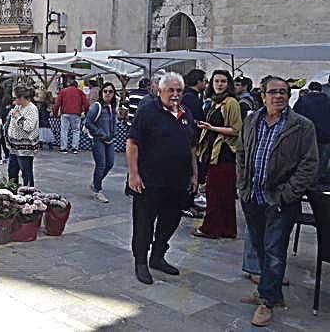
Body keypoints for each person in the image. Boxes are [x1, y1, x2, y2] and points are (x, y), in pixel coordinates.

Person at [236, 76, 318, 327]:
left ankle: (267, 302)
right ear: (263, 95)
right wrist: (242, 185)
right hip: (253, 196)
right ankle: (269, 291)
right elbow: (241, 151)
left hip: (280, 200)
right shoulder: (252, 120)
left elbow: (309, 164)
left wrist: (287, 194)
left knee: (274, 250)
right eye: (273, 92)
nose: (279, 96)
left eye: (284, 92)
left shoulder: (302, 126)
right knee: (260, 246)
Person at [126, 72, 198, 285]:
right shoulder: (147, 111)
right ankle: (141, 262)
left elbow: (191, 147)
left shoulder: (186, 114)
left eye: (179, 91)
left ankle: (158, 256)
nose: (175, 94)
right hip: (149, 181)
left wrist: (194, 174)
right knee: (144, 224)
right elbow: (132, 144)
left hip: (177, 182)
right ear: (160, 91)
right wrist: (133, 174)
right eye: (171, 90)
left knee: (170, 221)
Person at [192, 70, 242, 239]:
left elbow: (236, 130)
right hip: (214, 152)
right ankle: (227, 229)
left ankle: (210, 228)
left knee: (215, 193)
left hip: (224, 153)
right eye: (216, 81)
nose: (219, 84)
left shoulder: (231, 103)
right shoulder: (214, 102)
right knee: (223, 193)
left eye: (223, 81)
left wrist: (211, 128)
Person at [85, 82, 117, 203]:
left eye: (110, 91)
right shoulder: (96, 106)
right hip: (98, 140)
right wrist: (100, 133)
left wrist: (113, 132)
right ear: (101, 93)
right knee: (101, 164)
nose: (108, 94)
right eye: (105, 91)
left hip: (109, 140)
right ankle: (98, 190)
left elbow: (113, 121)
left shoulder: (112, 107)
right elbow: (88, 122)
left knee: (110, 163)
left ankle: (95, 183)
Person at [293, 81, 330, 187]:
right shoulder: (328, 100)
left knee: (307, 160)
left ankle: (305, 182)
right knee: (322, 161)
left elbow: (295, 117)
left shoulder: (303, 101)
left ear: (309, 89)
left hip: (308, 136)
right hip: (326, 137)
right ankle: (316, 182)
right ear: (320, 90)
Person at [6, 85, 40, 186]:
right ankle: (13, 191)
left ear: (21, 98)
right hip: (14, 146)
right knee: (12, 172)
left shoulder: (32, 109)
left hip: (25, 147)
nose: (14, 100)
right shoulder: (18, 106)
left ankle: (29, 194)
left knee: (26, 173)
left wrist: (18, 117)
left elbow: (29, 126)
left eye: (15, 98)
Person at [53, 79, 88, 154]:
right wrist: (86, 112)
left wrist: (55, 113)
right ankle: (75, 148)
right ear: (76, 85)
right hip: (76, 113)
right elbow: (86, 104)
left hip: (65, 113)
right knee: (76, 130)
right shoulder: (80, 92)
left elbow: (57, 103)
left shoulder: (63, 91)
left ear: (69, 85)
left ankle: (64, 148)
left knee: (64, 130)